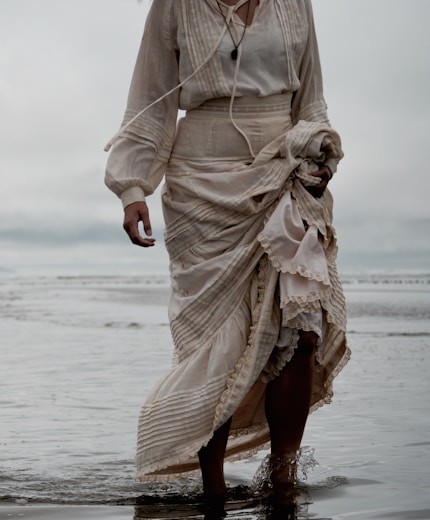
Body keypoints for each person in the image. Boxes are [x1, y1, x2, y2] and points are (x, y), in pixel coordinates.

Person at [103, 0, 350, 505]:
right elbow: (149, 102)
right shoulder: (174, 6)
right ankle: (212, 491)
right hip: (201, 183)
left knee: (302, 329)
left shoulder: (293, 4)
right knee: (216, 339)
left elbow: (312, 98)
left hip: (284, 170)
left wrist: (321, 155)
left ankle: (283, 479)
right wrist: (133, 188)